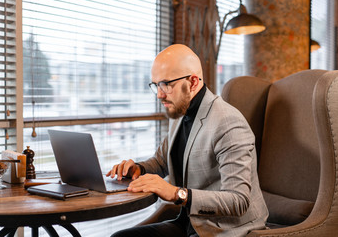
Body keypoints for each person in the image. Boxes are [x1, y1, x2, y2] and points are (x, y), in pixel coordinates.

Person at [107, 44, 268, 237]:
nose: (159, 94)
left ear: (192, 82)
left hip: (227, 230)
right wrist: (138, 169)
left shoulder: (228, 123)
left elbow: (238, 201)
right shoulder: (180, 110)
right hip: (190, 223)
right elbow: (161, 161)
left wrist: (177, 193)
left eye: (166, 84)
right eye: (156, 85)